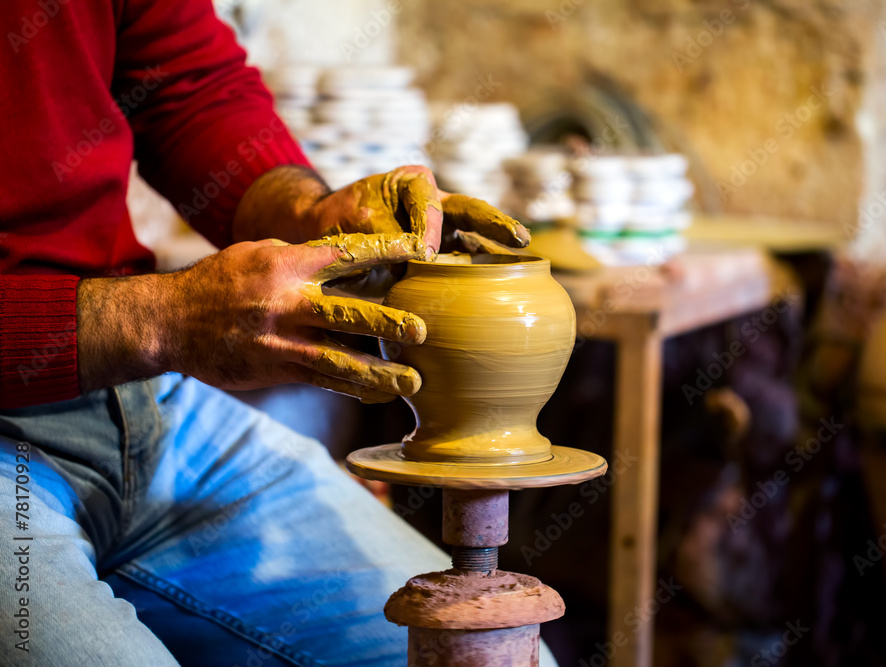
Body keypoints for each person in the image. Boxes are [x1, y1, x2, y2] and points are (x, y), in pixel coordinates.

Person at [0, 0, 555, 664]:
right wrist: (158, 320)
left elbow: (187, 88)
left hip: (139, 402)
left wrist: (312, 210)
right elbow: (153, 322)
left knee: (492, 653)